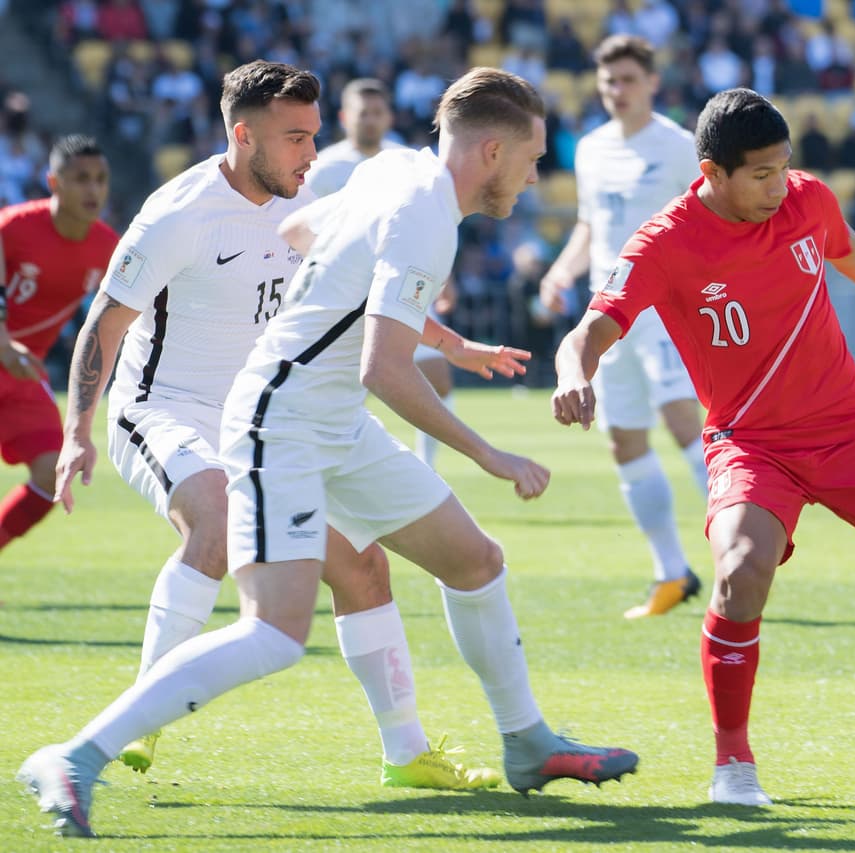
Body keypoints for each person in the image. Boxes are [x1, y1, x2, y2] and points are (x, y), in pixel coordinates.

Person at [19, 67, 637, 839]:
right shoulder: (426, 219)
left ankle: (526, 741)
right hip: (281, 421)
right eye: (533, 157)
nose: (537, 174)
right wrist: (490, 453)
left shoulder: (396, 170)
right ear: (488, 152)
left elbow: (298, 236)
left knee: (476, 560)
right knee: (275, 633)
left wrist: (441, 337)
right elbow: (385, 367)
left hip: (330, 414)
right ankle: (75, 755)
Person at [552, 88, 855, 806]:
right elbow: (593, 328)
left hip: (852, 429)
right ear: (711, 172)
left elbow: (853, 251)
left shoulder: (807, 200)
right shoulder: (665, 243)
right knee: (737, 567)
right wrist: (573, 374)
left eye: (783, 167)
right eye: (760, 174)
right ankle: (733, 764)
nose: (777, 185)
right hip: (752, 445)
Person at [539, 34, 708, 619]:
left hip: (665, 311)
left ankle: (744, 546)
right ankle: (671, 572)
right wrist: (561, 272)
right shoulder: (590, 148)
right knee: (624, 439)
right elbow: (590, 225)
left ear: (652, 84)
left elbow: (705, 226)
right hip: (608, 314)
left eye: (629, 80)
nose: (617, 90)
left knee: (684, 420)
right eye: (609, 81)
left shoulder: (681, 147)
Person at [309, 76, 458, 469]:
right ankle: (333, 462)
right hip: (342, 294)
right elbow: (301, 228)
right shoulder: (324, 169)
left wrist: (445, 278)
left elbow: (431, 224)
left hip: (401, 285)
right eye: (363, 114)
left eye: (378, 113)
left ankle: (427, 467)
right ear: (344, 117)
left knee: (435, 377)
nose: (371, 121)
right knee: (347, 383)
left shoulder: (405, 162)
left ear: (389, 116)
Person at [0, 135, 117, 555]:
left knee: (52, 473)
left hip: (21, 375)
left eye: (100, 179)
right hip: (8, 357)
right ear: (54, 181)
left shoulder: (108, 246)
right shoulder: (14, 227)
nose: (93, 189)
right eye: (81, 178)